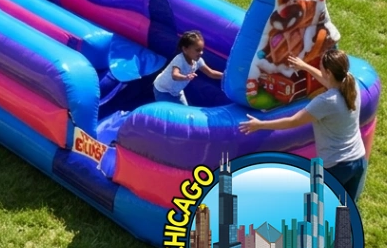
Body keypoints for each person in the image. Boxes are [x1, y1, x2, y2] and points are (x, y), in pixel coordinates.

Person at [240, 50, 367, 201]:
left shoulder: (326, 102)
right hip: (358, 159)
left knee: (319, 211)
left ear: (328, 72)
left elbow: (293, 121)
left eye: (321, 68)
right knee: (346, 212)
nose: (320, 70)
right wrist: (304, 66)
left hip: (337, 167)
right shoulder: (351, 84)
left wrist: (260, 124)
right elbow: (328, 81)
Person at [153, 31, 224, 104]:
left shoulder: (198, 61)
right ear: (185, 49)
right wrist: (186, 77)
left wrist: (225, 76)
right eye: (197, 50)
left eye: (202, 50)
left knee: (185, 113)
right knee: (168, 112)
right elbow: (175, 75)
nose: (201, 53)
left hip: (176, 92)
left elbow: (211, 73)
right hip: (163, 90)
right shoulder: (179, 59)